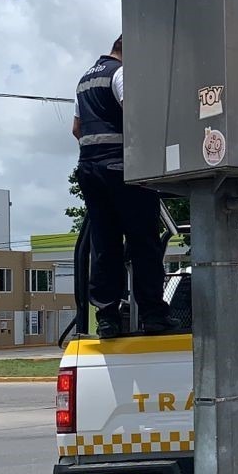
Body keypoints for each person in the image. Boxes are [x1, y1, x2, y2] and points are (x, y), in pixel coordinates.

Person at [73, 35, 179, 339]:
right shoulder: (121, 73)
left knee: (104, 244)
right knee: (143, 242)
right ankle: (153, 315)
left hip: (90, 170)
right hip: (125, 170)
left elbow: (76, 129)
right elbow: (137, 116)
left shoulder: (84, 81)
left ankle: (107, 318)